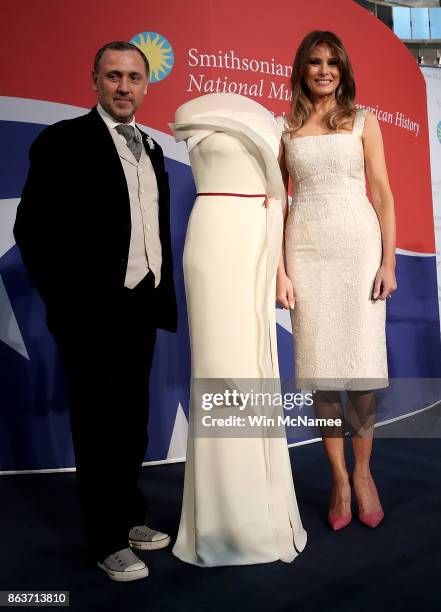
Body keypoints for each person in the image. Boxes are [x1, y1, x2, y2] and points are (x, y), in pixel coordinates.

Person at [14, 41, 177, 581]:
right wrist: (69, 305)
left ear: (146, 85)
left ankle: (129, 518)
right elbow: (32, 231)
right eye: (113, 76)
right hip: (90, 313)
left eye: (133, 77)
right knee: (98, 427)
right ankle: (106, 541)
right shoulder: (63, 141)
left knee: (130, 425)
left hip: (141, 305)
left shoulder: (152, 149)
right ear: (95, 81)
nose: (124, 87)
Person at [169, 92, 307, 567]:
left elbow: (279, 196)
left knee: (251, 368)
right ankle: (222, 518)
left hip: (256, 243)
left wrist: (277, 268)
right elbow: (182, 121)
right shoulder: (195, 113)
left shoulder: (275, 124)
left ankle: (258, 509)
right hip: (213, 239)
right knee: (218, 369)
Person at [276, 31, 397, 531]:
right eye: (314, 62)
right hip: (306, 252)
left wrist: (388, 262)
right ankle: (339, 480)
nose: (324, 70)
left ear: (343, 69)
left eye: (332, 62)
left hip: (358, 250)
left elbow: (384, 194)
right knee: (323, 374)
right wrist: (280, 270)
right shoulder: (283, 128)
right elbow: (276, 202)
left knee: (362, 373)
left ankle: (364, 473)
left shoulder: (363, 121)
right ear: (301, 69)